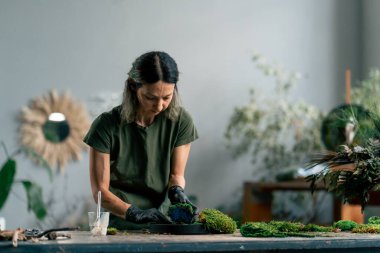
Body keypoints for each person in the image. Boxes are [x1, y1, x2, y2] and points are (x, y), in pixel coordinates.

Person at [83, 51, 199, 229]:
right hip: (119, 225)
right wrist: (134, 213)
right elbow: (100, 192)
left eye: (167, 97)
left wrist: (177, 190)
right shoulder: (105, 126)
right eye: (150, 97)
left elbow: (176, 175)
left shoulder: (181, 122)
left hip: (163, 224)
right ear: (132, 87)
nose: (159, 106)